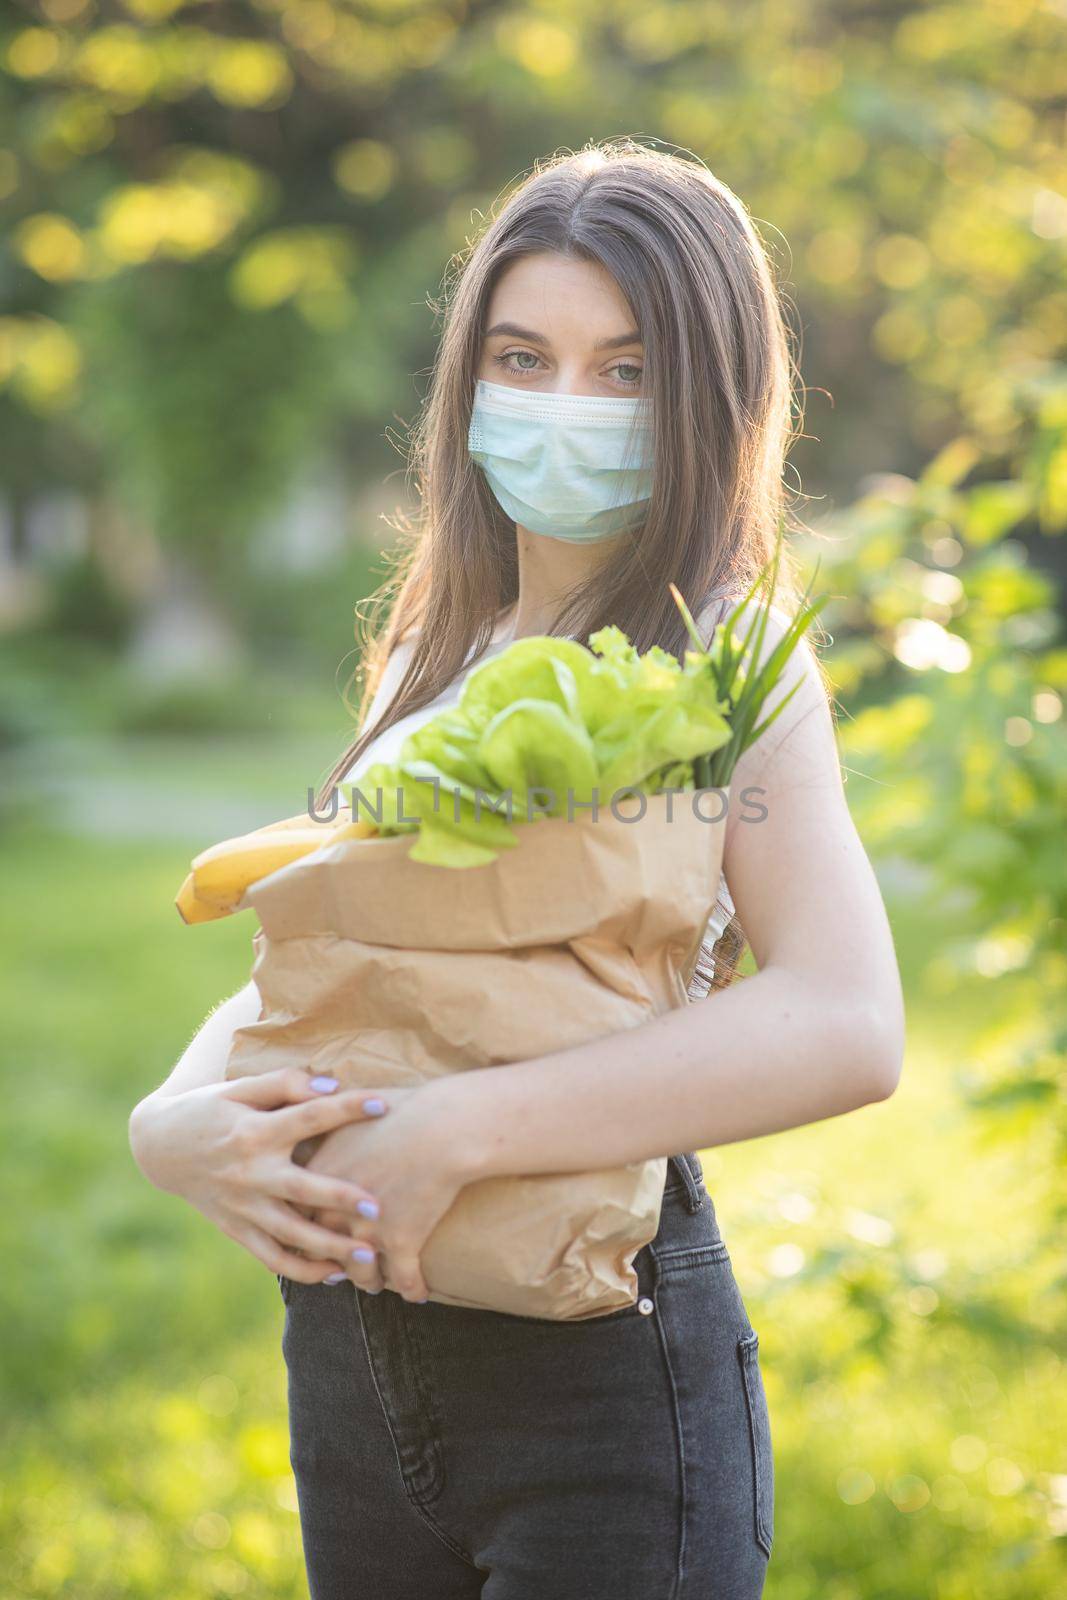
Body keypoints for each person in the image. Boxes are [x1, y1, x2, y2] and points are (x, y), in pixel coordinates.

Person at [129, 139, 905, 1598]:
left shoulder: (726, 659)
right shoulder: (438, 648)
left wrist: (461, 1130)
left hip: (595, 1377)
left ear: (714, 396)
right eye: (524, 355)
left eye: (627, 371)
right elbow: (343, 952)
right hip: (356, 1359)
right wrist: (172, 1118)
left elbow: (846, 1020)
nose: (568, 406)